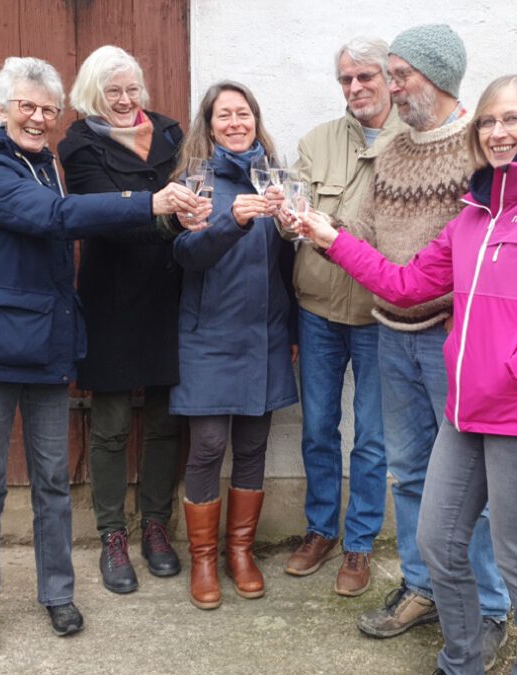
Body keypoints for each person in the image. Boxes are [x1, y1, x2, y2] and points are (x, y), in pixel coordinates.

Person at [299, 73, 517, 675]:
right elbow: (404, 286)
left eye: (511, 118)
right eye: (487, 122)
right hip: (467, 410)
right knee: (438, 544)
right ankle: (461, 661)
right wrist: (330, 239)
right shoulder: (474, 216)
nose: (498, 132)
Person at [0, 55, 201, 653]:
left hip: (48, 342)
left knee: (54, 483)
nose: (37, 117)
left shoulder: (47, 163)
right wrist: (149, 203)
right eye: (27, 106)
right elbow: (50, 218)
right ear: (2, 107)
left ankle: (57, 593)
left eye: (47, 109)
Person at [310, 25, 509, 664]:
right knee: (411, 471)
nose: (390, 88)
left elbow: (483, 254)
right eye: (387, 76)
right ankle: (424, 589)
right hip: (391, 334)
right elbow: (363, 229)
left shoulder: (478, 147)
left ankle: (489, 605)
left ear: (441, 75)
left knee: (469, 482)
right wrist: (314, 227)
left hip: (453, 338)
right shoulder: (394, 151)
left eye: (401, 76)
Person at [58, 45, 193, 594]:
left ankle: (156, 526)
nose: (124, 99)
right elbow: (101, 213)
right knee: (111, 424)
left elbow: (194, 191)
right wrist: (164, 210)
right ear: (94, 94)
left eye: (131, 88)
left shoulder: (169, 133)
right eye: (112, 90)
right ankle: (113, 533)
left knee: (164, 418)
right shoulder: (79, 144)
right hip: (112, 293)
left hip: (168, 288)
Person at [283, 37, 406, 597]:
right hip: (319, 309)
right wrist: (288, 219)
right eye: (345, 80)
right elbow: (294, 210)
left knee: (374, 438)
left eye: (365, 77)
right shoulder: (318, 141)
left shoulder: (415, 141)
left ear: (389, 78)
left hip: (382, 315)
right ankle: (320, 530)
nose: (355, 88)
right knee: (317, 428)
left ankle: (359, 544)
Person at [169, 81, 299, 610]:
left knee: (251, 447)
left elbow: (288, 267)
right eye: (224, 115)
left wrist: (290, 330)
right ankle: (203, 559)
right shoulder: (193, 181)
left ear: (255, 119)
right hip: (207, 336)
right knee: (207, 446)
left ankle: (239, 553)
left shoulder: (278, 180)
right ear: (209, 123)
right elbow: (186, 255)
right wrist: (235, 220)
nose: (235, 122)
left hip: (264, 334)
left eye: (243, 113)